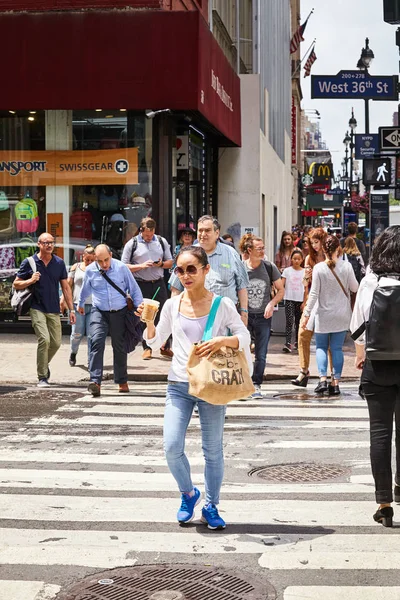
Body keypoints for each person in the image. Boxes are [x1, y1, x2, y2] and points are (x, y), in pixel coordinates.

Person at [141, 245, 252, 530]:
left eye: (192, 269)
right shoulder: (172, 305)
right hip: (179, 383)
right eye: (180, 270)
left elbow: (243, 335)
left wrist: (221, 341)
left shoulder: (222, 305)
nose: (186, 275)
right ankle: (189, 494)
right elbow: (154, 344)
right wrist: (150, 323)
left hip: (211, 384)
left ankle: (211, 505)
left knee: (212, 450)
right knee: (171, 446)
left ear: (206, 270)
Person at [351, 226, 400, 528]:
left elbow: (357, 327)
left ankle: (385, 504)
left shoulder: (371, 281)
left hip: (378, 366)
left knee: (380, 434)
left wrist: (360, 355)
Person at [78, 244, 143, 397]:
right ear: (95, 259)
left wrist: (140, 306)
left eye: (106, 260)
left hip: (119, 312)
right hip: (99, 311)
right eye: (100, 261)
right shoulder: (90, 270)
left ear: (111, 255)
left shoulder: (121, 268)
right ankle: (95, 382)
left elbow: (133, 289)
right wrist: (80, 304)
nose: (104, 264)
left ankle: (121, 380)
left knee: (119, 345)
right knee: (96, 341)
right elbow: (85, 289)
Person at [13, 232, 76, 387]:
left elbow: (66, 288)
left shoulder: (59, 263)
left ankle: (43, 364)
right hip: (36, 307)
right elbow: (16, 284)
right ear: (39, 244)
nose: (49, 245)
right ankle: (42, 376)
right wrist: (31, 280)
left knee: (56, 343)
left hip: (53, 307)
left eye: (51, 243)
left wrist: (71, 309)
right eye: (45, 243)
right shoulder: (29, 262)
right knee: (44, 339)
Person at [302, 235, 358, 396]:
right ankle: (336, 383)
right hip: (341, 314)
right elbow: (355, 287)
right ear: (338, 248)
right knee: (336, 348)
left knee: (321, 347)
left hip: (323, 314)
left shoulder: (319, 268)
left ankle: (322, 380)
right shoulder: (346, 266)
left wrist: (306, 314)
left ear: (324, 250)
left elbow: (313, 294)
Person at [169, 216, 249, 325]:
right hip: (194, 317)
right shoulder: (186, 254)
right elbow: (176, 289)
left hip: (226, 318)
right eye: (200, 230)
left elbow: (242, 286)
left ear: (217, 233)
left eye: (207, 230)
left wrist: (244, 313)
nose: (203, 234)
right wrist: (174, 317)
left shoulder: (231, 254)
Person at [121, 217, 173, 360]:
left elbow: (170, 262)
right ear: (141, 231)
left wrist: (161, 264)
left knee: (164, 313)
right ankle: (147, 347)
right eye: (146, 235)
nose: (149, 237)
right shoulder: (133, 244)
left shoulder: (161, 242)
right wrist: (141, 266)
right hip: (140, 284)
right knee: (145, 316)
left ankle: (165, 346)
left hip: (158, 282)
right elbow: (123, 266)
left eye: (151, 234)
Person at [239, 233, 284, 399]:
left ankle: (256, 384)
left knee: (261, 353)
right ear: (249, 250)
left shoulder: (269, 267)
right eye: (259, 248)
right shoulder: (240, 267)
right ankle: (244, 384)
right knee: (242, 351)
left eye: (263, 248)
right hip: (244, 315)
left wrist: (271, 304)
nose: (262, 251)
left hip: (263, 317)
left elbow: (281, 290)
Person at [60, 245, 96, 367]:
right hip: (77, 305)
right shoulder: (76, 267)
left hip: (93, 305)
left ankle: (91, 360)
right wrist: (64, 300)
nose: (90, 262)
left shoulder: (98, 268)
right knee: (77, 333)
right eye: (87, 260)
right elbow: (68, 285)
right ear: (83, 257)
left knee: (92, 335)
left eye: (92, 260)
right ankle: (73, 353)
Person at [281, 249, 305, 353]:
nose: (296, 261)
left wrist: (305, 301)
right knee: (289, 321)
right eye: (294, 259)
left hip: (300, 299)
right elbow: (282, 284)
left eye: (298, 259)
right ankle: (287, 343)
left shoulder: (304, 272)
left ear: (302, 260)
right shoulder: (287, 271)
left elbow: (306, 287)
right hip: (289, 298)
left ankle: (297, 342)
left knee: (298, 322)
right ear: (291, 259)